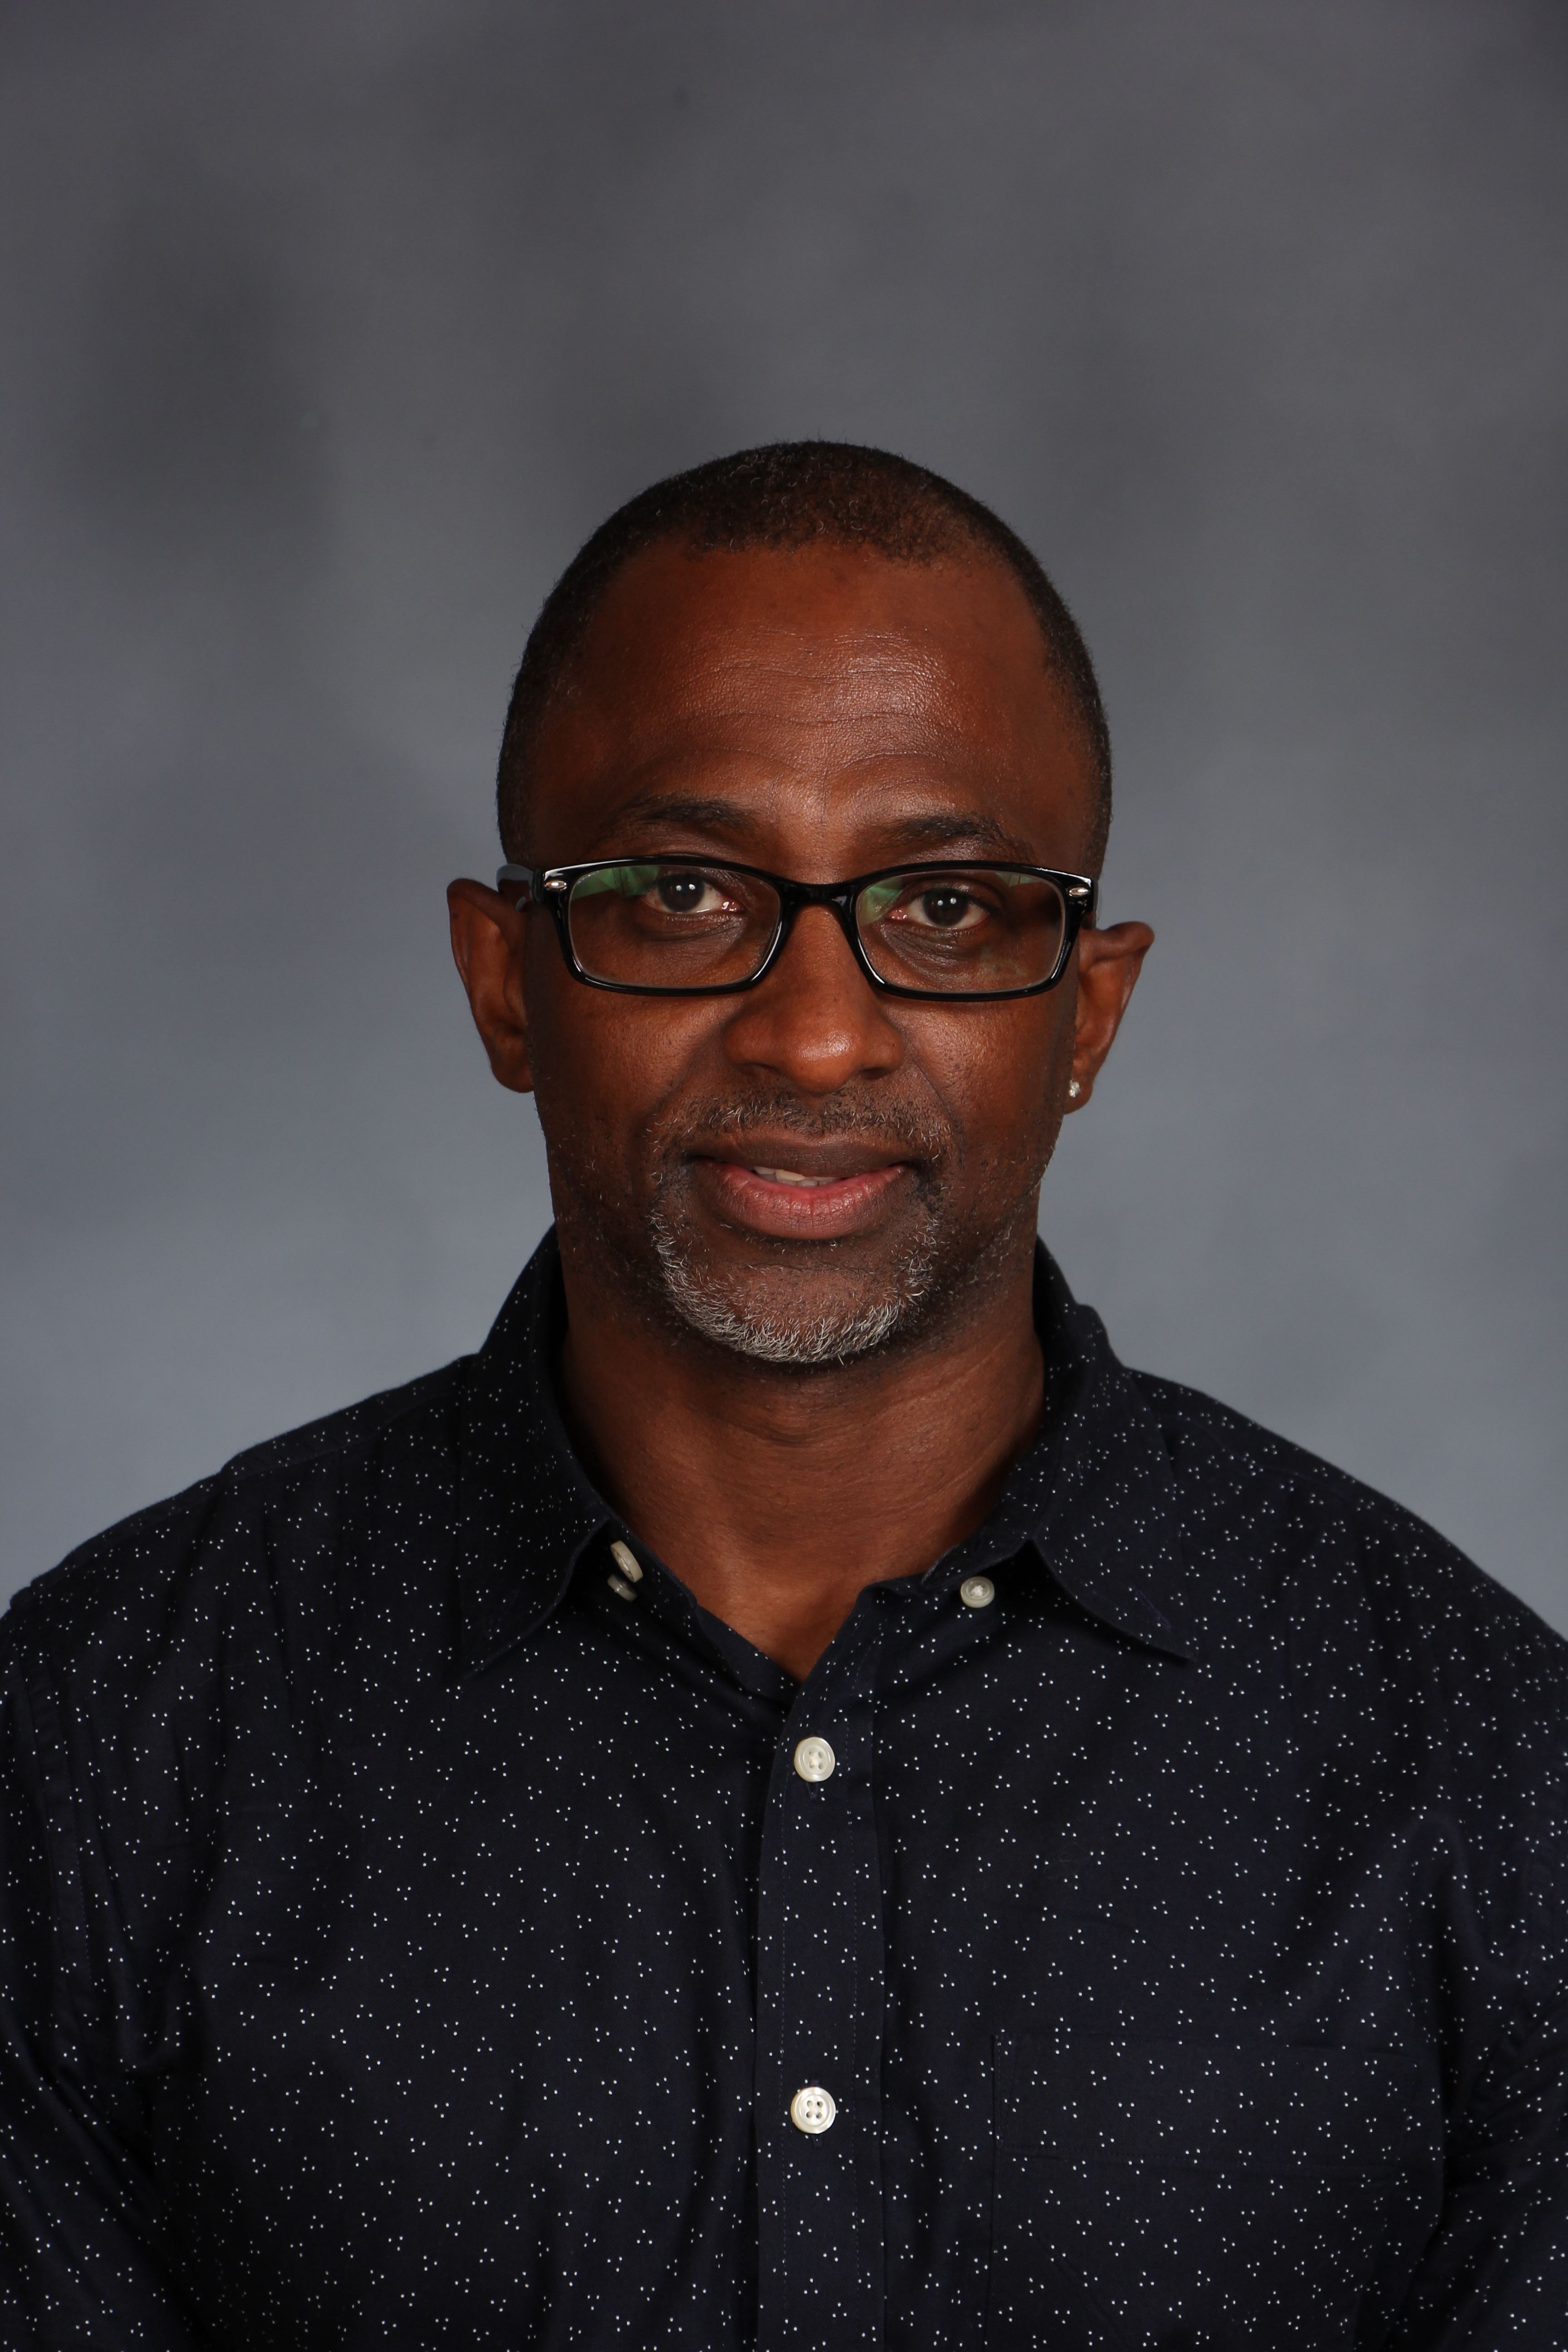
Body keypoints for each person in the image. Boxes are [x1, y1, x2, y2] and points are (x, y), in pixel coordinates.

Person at [1, 442, 1563, 2352]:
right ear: (506, 983)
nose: (816, 1030)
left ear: (1091, 1013)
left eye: (950, 910)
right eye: (678, 894)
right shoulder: (95, 1749)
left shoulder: (1487, 1775)